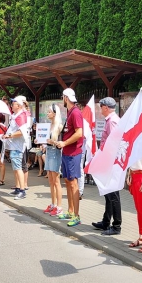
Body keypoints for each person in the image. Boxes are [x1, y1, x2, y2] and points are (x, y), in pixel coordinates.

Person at [91, 97, 122, 235]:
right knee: (108, 193)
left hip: (112, 163)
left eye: (101, 107)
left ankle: (116, 226)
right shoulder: (111, 120)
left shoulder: (113, 121)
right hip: (108, 161)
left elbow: (115, 143)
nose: (99, 109)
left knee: (113, 194)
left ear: (105, 108)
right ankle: (106, 221)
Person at [55, 88, 84, 227]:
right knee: (67, 181)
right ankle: (70, 211)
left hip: (73, 153)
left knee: (73, 183)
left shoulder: (76, 112)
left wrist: (65, 142)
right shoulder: (71, 112)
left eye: (62, 97)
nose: (62, 100)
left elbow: (79, 133)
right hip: (66, 152)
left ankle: (77, 216)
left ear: (66, 98)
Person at [4, 96, 29, 200]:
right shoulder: (16, 115)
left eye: (13, 104)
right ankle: (18, 188)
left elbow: (21, 132)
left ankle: (22, 191)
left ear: (18, 105)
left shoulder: (21, 116)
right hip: (13, 146)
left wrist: (9, 135)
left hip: (18, 147)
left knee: (18, 168)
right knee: (15, 168)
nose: (11, 105)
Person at [42, 104, 64, 217]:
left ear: (55, 113)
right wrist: (42, 143)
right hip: (49, 151)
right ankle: (53, 204)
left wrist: (52, 142)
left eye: (49, 111)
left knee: (56, 181)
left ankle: (59, 206)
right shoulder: (49, 125)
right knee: (50, 181)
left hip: (55, 152)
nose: (48, 113)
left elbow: (61, 144)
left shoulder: (59, 126)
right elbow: (46, 139)